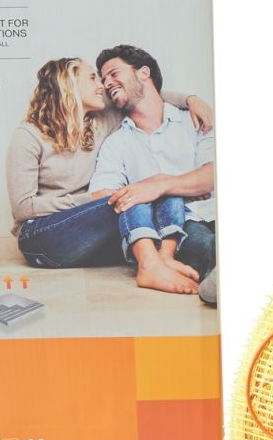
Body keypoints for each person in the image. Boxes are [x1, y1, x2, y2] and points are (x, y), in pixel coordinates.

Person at [6, 58, 213, 271]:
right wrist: (90, 198)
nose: (102, 86)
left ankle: (163, 259)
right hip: (40, 236)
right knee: (132, 195)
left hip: (89, 232)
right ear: (68, 84)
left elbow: (141, 95)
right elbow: (23, 208)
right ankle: (151, 266)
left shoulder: (101, 122)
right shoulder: (28, 136)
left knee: (152, 187)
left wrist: (190, 99)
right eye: (93, 78)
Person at [88, 44, 217, 297]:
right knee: (206, 246)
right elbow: (101, 195)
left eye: (114, 73)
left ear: (143, 73)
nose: (107, 83)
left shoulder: (194, 119)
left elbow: (213, 176)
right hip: (181, 227)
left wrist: (159, 184)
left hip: (220, 211)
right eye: (103, 79)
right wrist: (184, 187)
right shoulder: (116, 143)